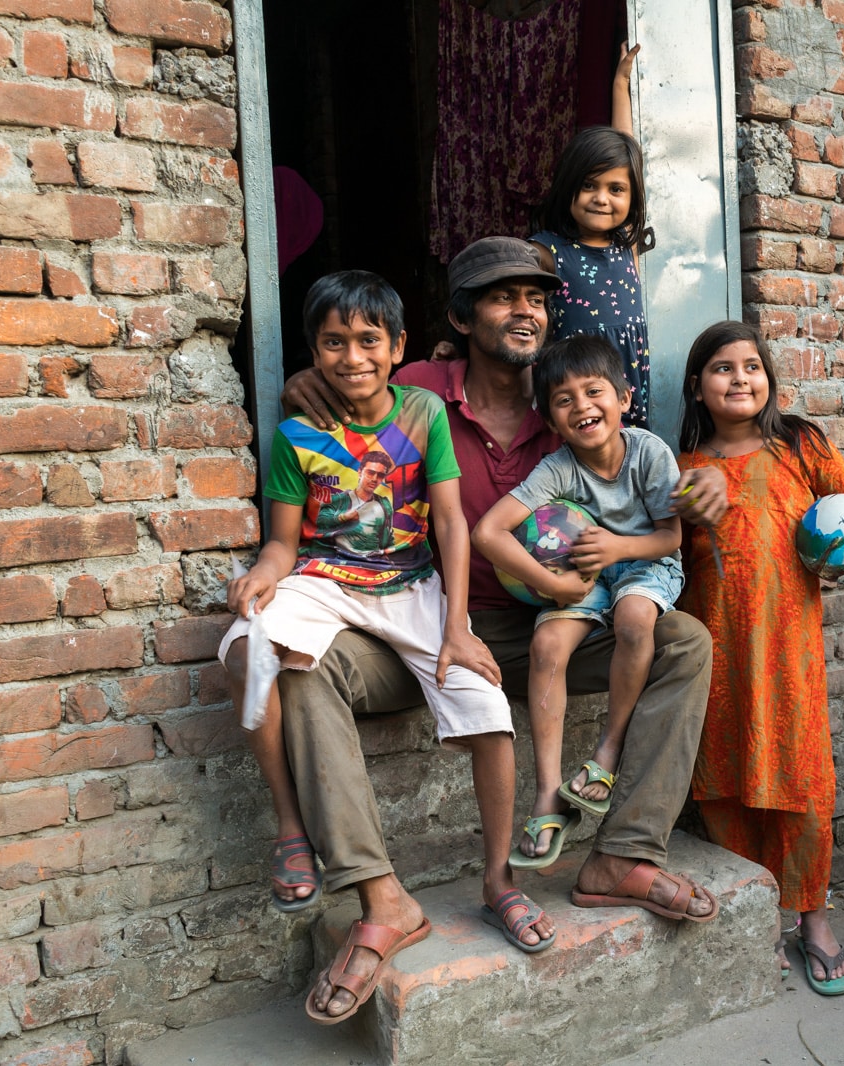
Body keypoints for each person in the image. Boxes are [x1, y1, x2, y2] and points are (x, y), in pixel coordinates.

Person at [277, 237, 728, 1025]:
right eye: (501, 296)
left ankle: (623, 854)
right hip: (424, 629)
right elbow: (336, 385)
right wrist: (301, 384)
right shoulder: (416, 388)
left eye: (537, 299)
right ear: (458, 317)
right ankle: (379, 897)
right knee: (305, 663)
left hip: (554, 622)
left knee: (683, 641)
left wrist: (711, 472)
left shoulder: (569, 407)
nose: (525, 310)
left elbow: (653, 465)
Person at [222, 272, 530, 1020]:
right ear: (313, 351)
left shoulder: (422, 411)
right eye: (334, 341)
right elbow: (284, 541)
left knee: (486, 704)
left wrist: (458, 625)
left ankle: (499, 878)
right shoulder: (298, 434)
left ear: (398, 348)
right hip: (325, 577)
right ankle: (292, 827)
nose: (352, 356)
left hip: (413, 587)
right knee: (248, 648)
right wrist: (260, 576)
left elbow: (452, 523)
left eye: (368, 341)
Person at [675, 321, 844, 995]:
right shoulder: (682, 471)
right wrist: (677, 509)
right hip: (716, 655)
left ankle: (813, 917)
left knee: (805, 784)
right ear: (697, 386)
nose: (740, 377)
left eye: (753, 366)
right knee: (725, 782)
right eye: (722, 367)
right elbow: (662, 553)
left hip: (792, 654)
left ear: (770, 379)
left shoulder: (801, 445)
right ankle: (756, 918)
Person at [473, 335, 687, 875]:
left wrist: (618, 547)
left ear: (623, 398)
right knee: (547, 641)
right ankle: (548, 794)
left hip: (643, 562)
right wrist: (560, 586)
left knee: (635, 618)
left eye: (594, 392)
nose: (582, 406)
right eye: (563, 400)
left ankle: (608, 753)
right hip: (582, 576)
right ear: (550, 418)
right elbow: (487, 531)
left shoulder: (649, 452)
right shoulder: (557, 467)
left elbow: (670, 538)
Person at [529, 46, 654, 427]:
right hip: (576, 393)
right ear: (568, 188)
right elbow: (503, 291)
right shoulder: (549, 250)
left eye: (616, 189)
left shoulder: (625, 245)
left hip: (627, 388)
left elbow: (628, 152)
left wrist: (620, 84)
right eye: (588, 185)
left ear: (632, 196)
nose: (602, 198)